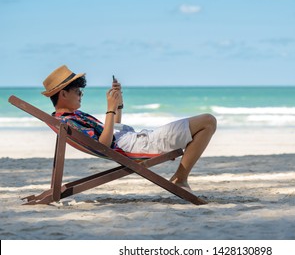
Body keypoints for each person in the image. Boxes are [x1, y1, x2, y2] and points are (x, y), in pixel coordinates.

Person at [41, 65, 217, 191]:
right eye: (78, 91)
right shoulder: (69, 122)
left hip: (138, 140)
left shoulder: (73, 117)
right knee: (208, 121)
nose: (81, 95)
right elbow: (104, 144)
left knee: (206, 122)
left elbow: (113, 130)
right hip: (142, 144)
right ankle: (180, 179)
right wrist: (110, 108)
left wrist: (118, 102)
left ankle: (180, 178)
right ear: (63, 94)